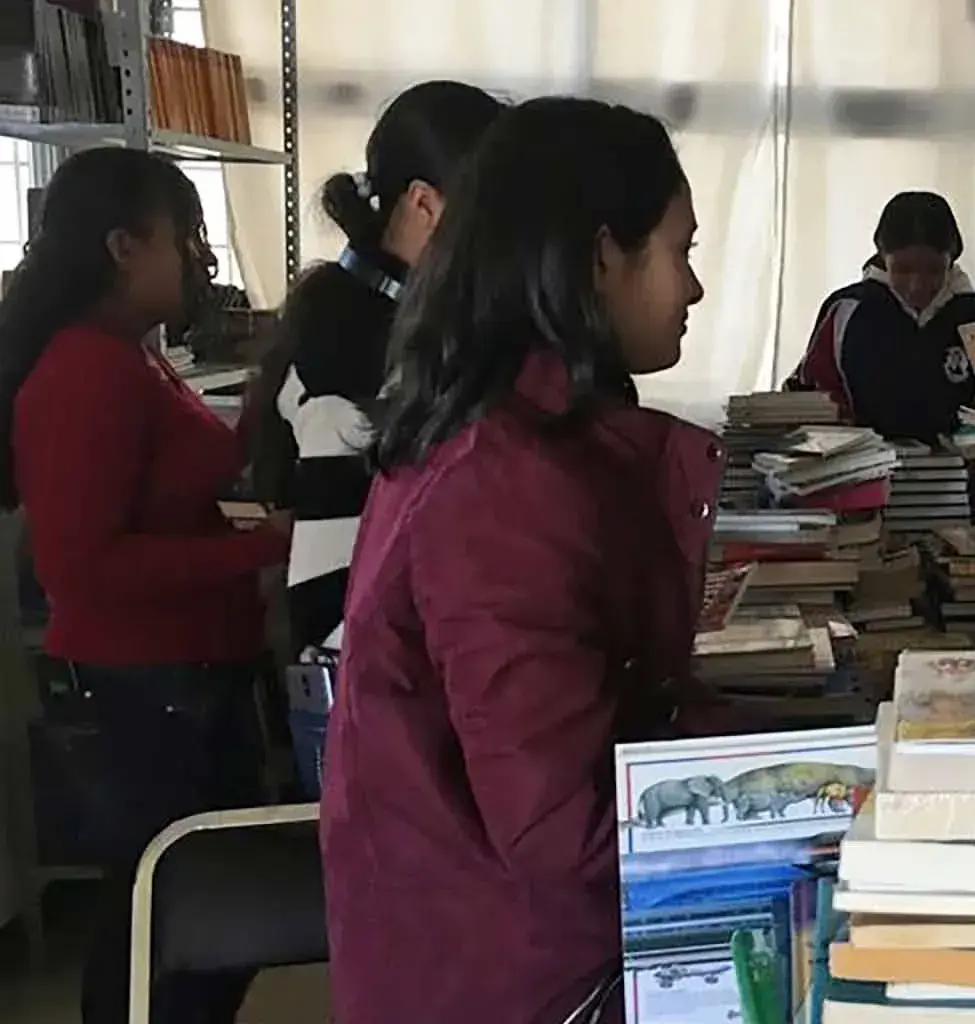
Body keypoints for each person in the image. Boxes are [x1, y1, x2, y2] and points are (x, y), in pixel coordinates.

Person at [322, 97, 749, 1024]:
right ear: (600, 258)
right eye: (681, 251)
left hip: (498, 948)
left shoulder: (508, 427)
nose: (693, 289)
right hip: (525, 980)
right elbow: (564, 830)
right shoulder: (504, 481)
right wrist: (816, 808)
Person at [0, 148, 289, 1024]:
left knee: (197, 918)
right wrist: (257, 551)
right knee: (173, 929)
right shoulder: (85, 370)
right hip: (149, 689)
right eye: (184, 236)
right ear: (124, 247)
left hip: (189, 676)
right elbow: (83, 568)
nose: (199, 257)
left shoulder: (135, 356)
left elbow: (183, 475)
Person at [248, 80, 504, 654]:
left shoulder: (382, 315)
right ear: (424, 204)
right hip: (370, 684)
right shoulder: (351, 352)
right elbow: (328, 611)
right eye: (495, 217)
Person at [783, 190, 975, 440]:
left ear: (951, 259)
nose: (917, 285)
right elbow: (808, 402)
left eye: (934, 270)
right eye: (902, 269)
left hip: (958, 463)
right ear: (883, 258)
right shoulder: (846, 310)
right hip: (862, 461)